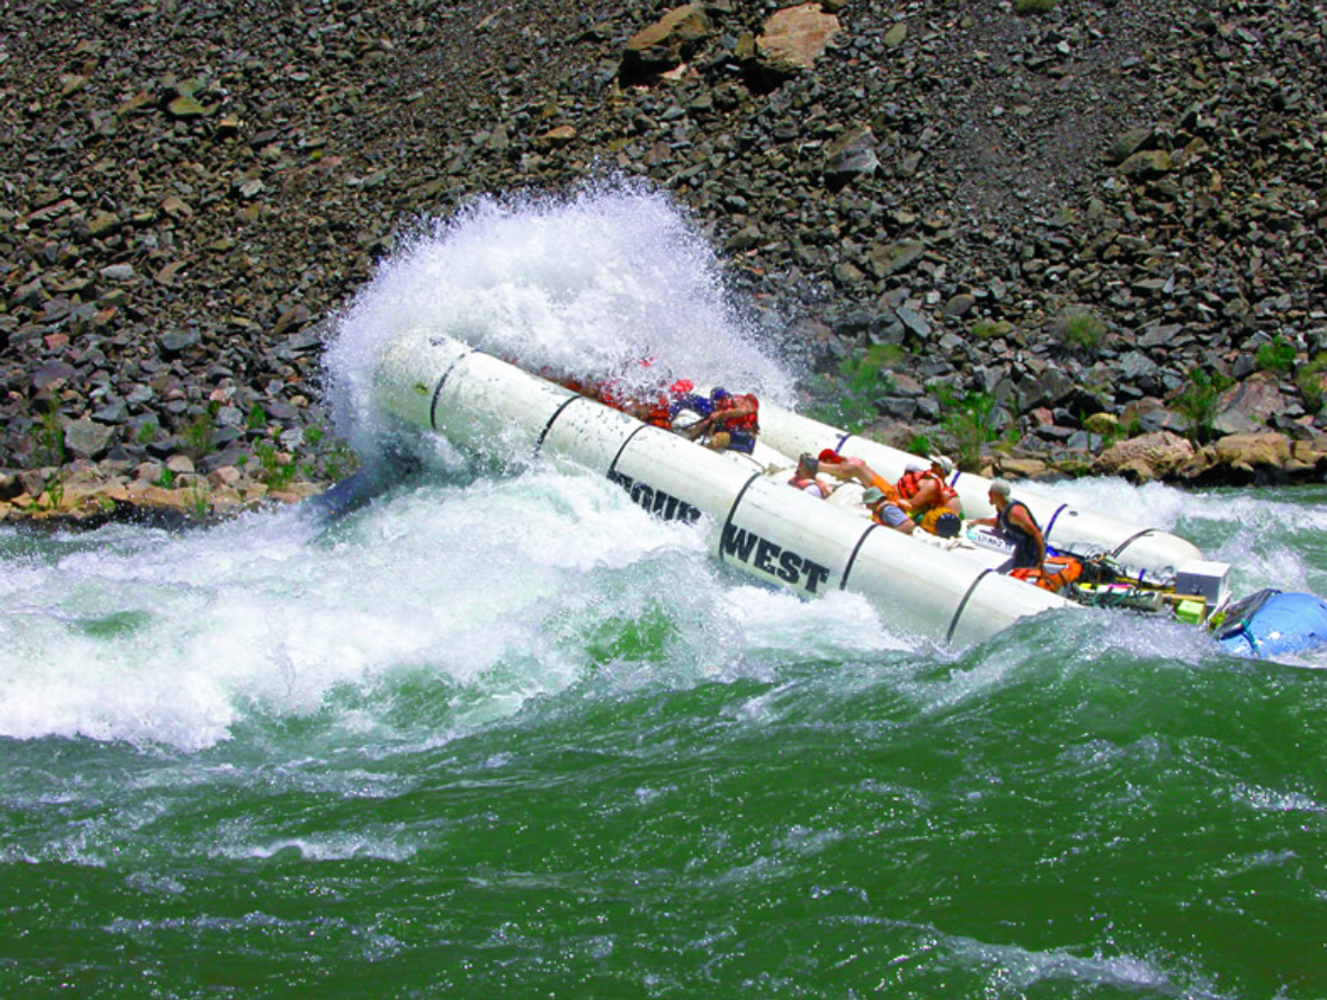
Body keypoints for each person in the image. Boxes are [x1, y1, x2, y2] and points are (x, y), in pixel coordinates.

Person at [973, 478, 1045, 573]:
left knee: (1018, 573)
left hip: (1030, 548)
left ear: (998, 496)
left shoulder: (1016, 513)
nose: (988, 495)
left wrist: (1040, 561)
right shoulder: (1000, 506)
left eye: (991, 493)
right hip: (1017, 541)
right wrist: (979, 521)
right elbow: (999, 524)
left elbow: (1036, 534)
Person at [689, 387, 759, 454]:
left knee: (718, 438)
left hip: (746, 440)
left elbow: (742, 411)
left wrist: (721, 415)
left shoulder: (744, 402)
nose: (717, 404)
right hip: (731, 433)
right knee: (702, 425)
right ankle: (688, 443)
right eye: (716, 402)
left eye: (720, 401)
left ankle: (701, 454)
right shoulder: (722, 409)